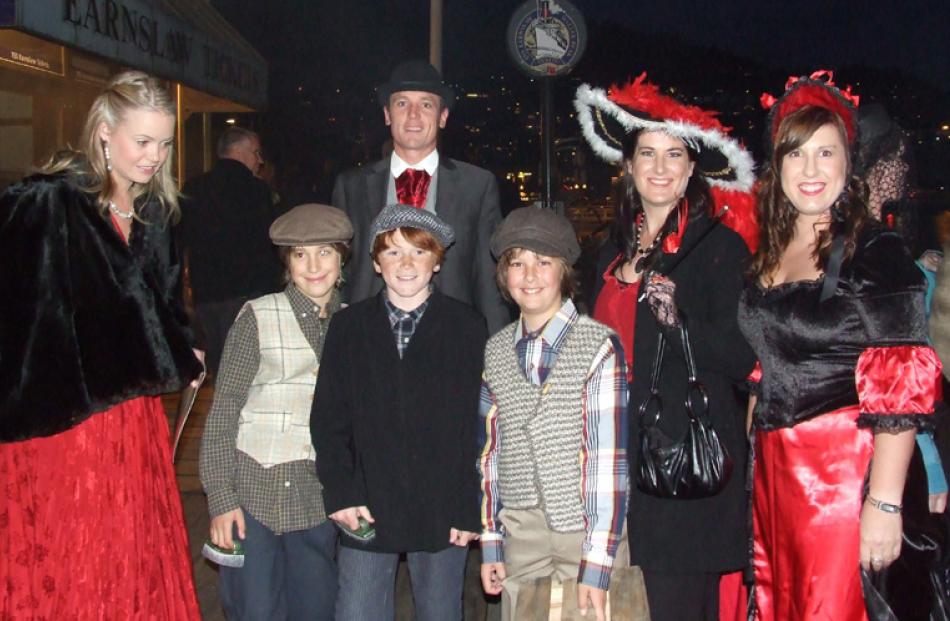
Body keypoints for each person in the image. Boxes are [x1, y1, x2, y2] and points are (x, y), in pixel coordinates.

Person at [0, 70, 203, 618]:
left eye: (164, 143)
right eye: (143, 141)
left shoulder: (156, 215)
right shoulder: (46, 203)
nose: (155, 156)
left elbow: (157, 312)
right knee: (73, 557)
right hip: (62, 423)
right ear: (105, 132)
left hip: (131, 421)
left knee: (131, 553)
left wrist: (185, 349)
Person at [740, 72, 943, 620]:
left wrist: (883, 502)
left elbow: (902, 392)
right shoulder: (771, 251)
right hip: (774, 475)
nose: (810, 170)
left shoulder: (877, 252)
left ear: (848, 164)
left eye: (825, 153)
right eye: (796, 154)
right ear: (776, 166)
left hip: (839, 477)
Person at [574, 73, 758, 620]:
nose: (659, 167)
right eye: (646, 153)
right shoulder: (605, 250)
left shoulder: (719, 249)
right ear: (626, 165)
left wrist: (683, 321)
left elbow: (744, 360)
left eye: (673, 154)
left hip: (681, 472)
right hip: (613, 461)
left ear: (691, 169)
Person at [310, 204, 487, 621]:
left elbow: (475, 429)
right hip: (367, 502)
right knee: (357, 611)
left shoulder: (467, 327)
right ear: (375, 262)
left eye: (419, 252)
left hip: (441, 505)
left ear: (437, 260)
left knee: (441, 612)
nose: (406, 263)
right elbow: (329, 419)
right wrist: (341, 492)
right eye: (392, 252)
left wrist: (470, 503)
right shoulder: (349, 327)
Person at [199, 203, 353, 620]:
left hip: (315, 501)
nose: (313, 265)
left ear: (343, 258)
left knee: (316, 608)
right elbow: (225, 409)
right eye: (300, 255)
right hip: (253, 497)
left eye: (324, 252)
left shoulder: (353, 324)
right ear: (287, 262)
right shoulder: (257, 316)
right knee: (254, 609)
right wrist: (220, 497)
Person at [477, 207, 630, 621]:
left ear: (564, 271)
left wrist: (598, 563)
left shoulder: (598, 347)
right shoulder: (496, 350)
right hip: (521, 534)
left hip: (584, 531)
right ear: (503, 275)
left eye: (543, 262)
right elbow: (491, 453)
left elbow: (605, 462)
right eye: (517, 262)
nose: (529, 275)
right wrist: (492, 538)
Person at [331, 60, 510, 334]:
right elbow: (341, 273)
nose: (413, 115)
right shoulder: (351, 186)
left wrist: (498, 355)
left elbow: (487, 278)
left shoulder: (477, 185)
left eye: (426, 104)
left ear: (443, 116)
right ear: (387, 114)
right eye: (402, 103)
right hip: (369, 336)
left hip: (451, 336)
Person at [180, 126, 282, 378]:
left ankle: (222, 411)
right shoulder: (256, 190)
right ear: (240, 151)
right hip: (246, 292)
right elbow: (267, 243)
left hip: (207, 293)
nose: (259, 160)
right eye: (256, 153)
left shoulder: (193, 188)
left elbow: (182, 239)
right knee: (247, 368)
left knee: (219, 364)